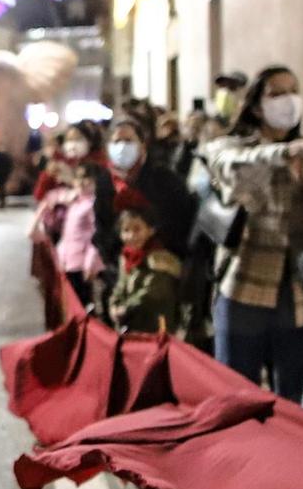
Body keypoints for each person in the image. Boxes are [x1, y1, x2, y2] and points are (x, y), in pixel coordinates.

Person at [199, 66, 303, 401]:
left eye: (293, 91)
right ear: (255, 105)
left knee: (290, 403)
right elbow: (235, 170)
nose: (288, 101)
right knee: (237, 398)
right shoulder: (231, 147)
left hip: (297, 295)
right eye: (276, 93)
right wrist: (290, 152)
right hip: (243, 289)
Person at [93, 115, 197, 262]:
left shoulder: (165, 179)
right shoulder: (105, 182)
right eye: (117, 142)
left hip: (162, 262)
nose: (122, 147)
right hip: (121, 264)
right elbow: (102, 228)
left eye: (128, 141)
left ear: (142, 145)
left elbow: (179, 225)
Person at [32, 167, 103, 307]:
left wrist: (91, 262)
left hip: (83, 264)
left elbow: (96, 236)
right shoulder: (75, 203)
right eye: (79, 179)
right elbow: (67, 234)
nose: (82, 183)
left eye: (87, 179)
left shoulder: (93, 205)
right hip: (69, 262)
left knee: (84, 304)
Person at [107, 206, 182, 334]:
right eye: (126, 230)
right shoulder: (126, 257)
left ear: (151, 230)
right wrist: (114, 304)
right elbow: (120, 284)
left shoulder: (159, 260)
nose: (131, 236)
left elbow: (151, 293)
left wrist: (125, 309)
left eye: (137, 229)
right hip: (131, 324)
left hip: (155, 327)